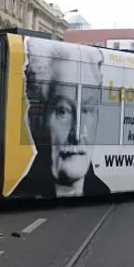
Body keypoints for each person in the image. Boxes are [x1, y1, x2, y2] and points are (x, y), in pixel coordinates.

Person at [12, 40, 110, 198]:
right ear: (36, 121)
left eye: (87, 110)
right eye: (63, 111)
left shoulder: (104, 192)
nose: (77, 136)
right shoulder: (22, 195)